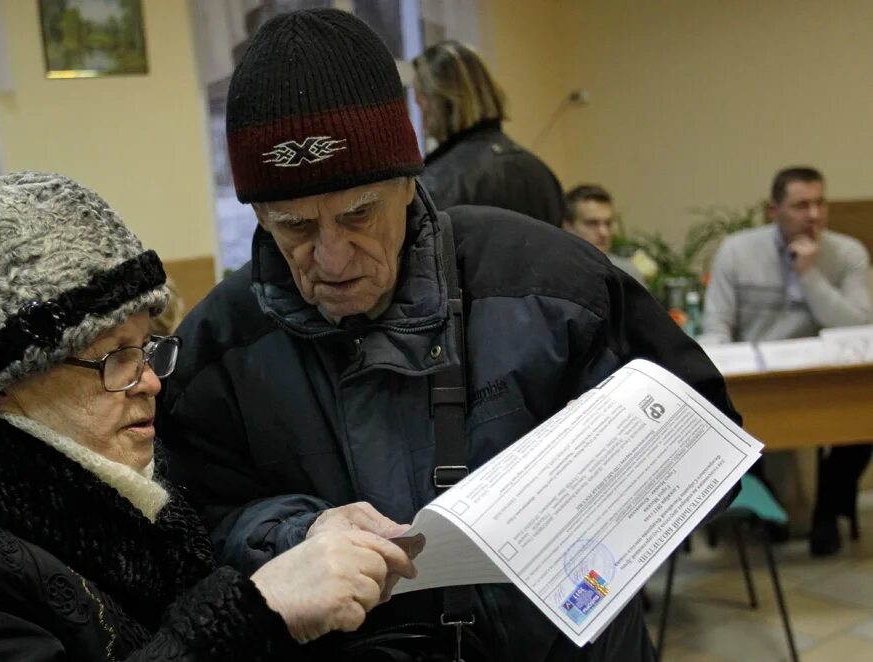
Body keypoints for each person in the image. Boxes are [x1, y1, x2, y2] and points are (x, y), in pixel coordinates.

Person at [158, 9, 738, 661]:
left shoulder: (551, 283)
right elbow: (188, 529)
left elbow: (708, 453)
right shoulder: (218, 347)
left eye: (358, 215)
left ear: (409, 182)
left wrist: (578, 492)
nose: (333, 259)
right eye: (294, 227)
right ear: (258, 214)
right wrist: (297, 534)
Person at [0, 171, 419, 660]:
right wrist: (259, 613)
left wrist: (307, 537)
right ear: (6, 382)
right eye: (116, 357)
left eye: (146, 346)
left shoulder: (117, 487)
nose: (152, 380)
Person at [702, 166, 872, 556]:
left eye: (819, 203)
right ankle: (769, 511)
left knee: (864, 425)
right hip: (756, 378)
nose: (813, 215)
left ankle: (828, 511)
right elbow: (717, 324)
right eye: (800, 205)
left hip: (826, 377)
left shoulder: (847, 253)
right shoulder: (738, 251)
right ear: (773, 209)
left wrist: (810, 276)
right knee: (732, 422)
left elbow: (858, 326)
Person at [412, 40, 565, 225]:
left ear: (436, 101)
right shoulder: (541, 174)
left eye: (419, 99)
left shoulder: (436, 184)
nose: (420, 111)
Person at [562, 184, 646, 284]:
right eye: (592, 223)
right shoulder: (554, 270)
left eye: (608, 223)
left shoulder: (626, 274)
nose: (604, 232)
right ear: (567, 226)